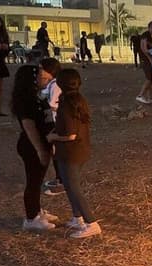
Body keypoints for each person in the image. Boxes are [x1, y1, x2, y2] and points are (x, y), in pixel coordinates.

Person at [46, 69, 100, 238]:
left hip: (71, 153)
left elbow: (70, 134)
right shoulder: (78, 100)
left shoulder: (67, 104)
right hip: (80, 150)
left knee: (74, 188)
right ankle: (78, 218)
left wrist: (52, 136)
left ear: (60, 84)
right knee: (69, 186)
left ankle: (91, 223)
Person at [12, 65, 59, 232]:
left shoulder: (35, 96)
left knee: (37, 180)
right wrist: (40, 149)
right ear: (33, 79)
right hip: (32, 145)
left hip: (41, 143)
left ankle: (37, 211)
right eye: (41, 77)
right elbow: (29, 126)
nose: (45, 79)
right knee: (33, 181)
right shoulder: (26, 100)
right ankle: (31, 218)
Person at [38, 58, 66, 196]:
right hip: (53, 121)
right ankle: (59, 179)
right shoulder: (51, 83)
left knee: (56, 152)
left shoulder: (56, 85)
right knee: (54, 152)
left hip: (56, 122)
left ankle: (61, 182)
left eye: (41, 68)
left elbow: (53, 105)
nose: (39, 71)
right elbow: (42, 95)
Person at [136, 21, 152, 104]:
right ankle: (140, 95)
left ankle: (150, 97)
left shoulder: (148, 35)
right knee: (149, 79)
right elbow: (144, 48)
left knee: (150, 78)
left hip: (146, 59)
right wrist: (149, 58)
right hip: (145, 60)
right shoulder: (146, 35)